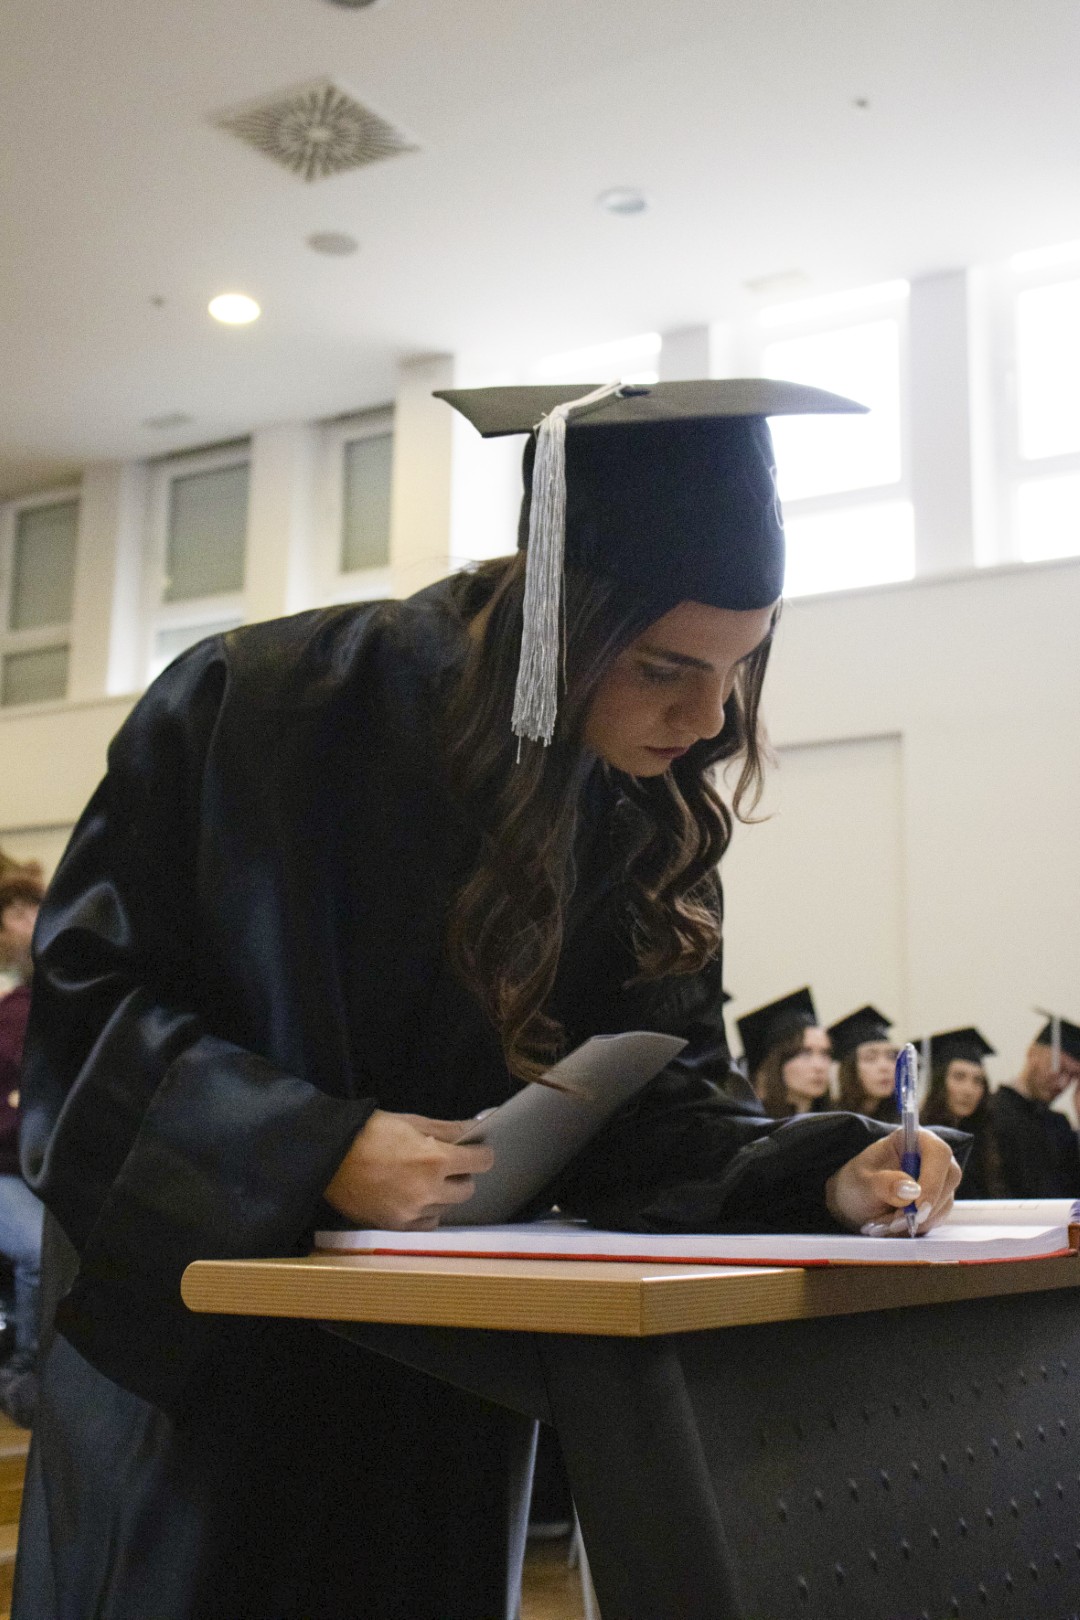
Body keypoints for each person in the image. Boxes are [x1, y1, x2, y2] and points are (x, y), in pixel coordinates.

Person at [15, 378, 962, 1620]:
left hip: (443, 1381)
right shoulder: (261, 706)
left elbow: (655, 1112)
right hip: (209, 1375)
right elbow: (82, 1012)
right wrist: (313, 1149)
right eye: (666, 667)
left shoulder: (642, 806)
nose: (709, 717)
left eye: (743, 664)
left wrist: (827, 1174)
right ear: (558, 614)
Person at [0, 871, 46, 1425]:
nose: (30, 922)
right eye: (16, 912)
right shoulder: (11, 1013)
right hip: (6, 1168)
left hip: (40, 1166)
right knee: (38, 1248)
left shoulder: (51, 1005)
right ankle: (29, 1372)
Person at [987, 1015, 1080, 1198]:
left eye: (1072, 1075)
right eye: (1059, 1068)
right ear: (1032, 1053)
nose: (1063, 1083)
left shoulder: (1059, 1124)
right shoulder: (989, 1112)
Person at [920, 1027, 1006, 1200]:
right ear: (939, 1082)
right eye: (959, 1077)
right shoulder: (919, 1137)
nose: (969, 1090)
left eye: (978, 1081)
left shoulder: (988, 1139)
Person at [736, 988, 832, 1117]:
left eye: (825, 1054)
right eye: (805, 1053)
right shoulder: (755, 1123)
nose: (819, 1066)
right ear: (778, 1062)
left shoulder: (842, 1122)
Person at [831, 1004, 900, 1123]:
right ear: (849, 1068)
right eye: (870, 1058)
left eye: (891, 1057)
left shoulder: (903, 1122)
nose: (885, 1067)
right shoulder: (832, 1122)